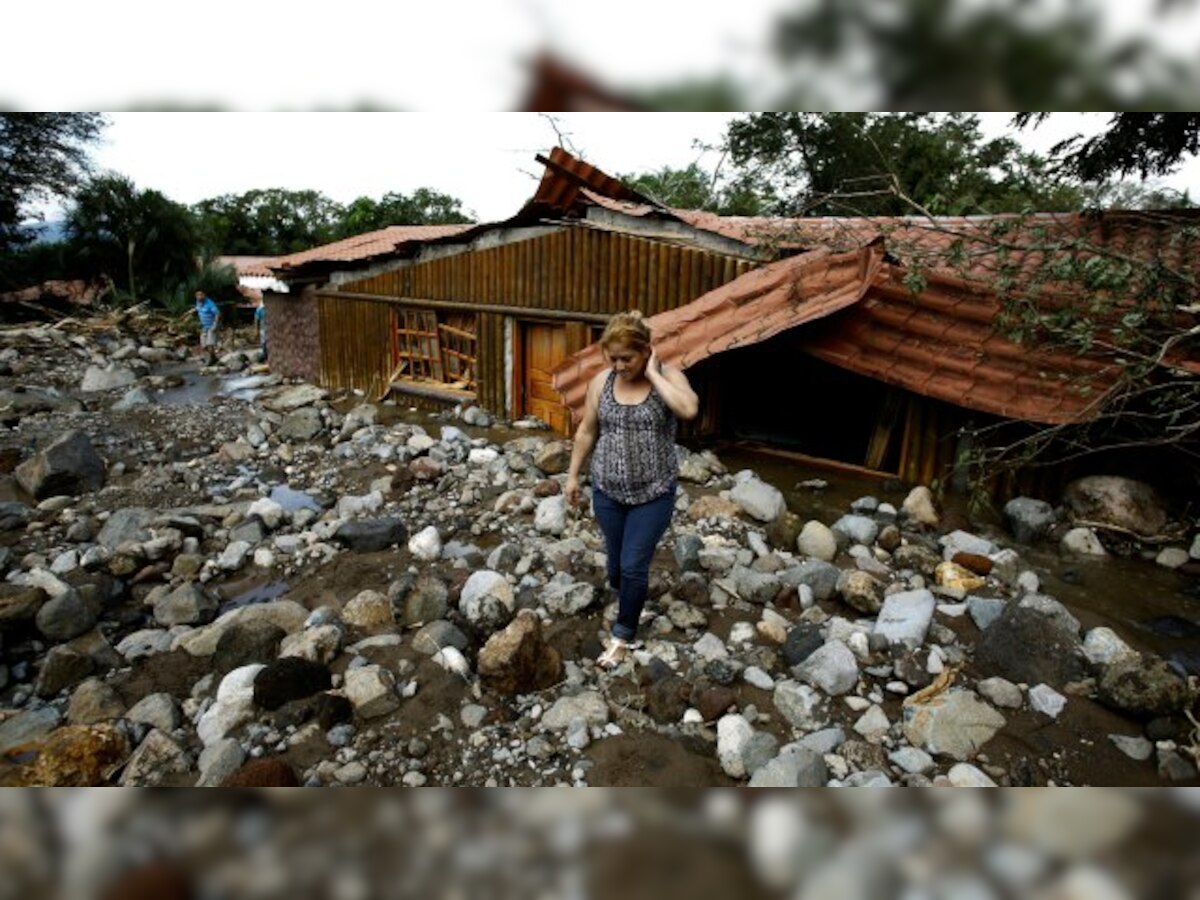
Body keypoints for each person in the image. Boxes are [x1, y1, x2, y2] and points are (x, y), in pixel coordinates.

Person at [565, 311, 700, 670]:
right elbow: (588, 431)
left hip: (653, 493)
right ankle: (628, 596)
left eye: (628, 358)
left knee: (634, 566)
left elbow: (688, 409)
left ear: (646, 351)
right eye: (613, 358)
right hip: (607, 490)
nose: (620, 365)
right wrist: (573, 476)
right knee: (615, 568)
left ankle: (622, 637)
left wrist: (655, 373)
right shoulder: (601, 382)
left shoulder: (668, 378)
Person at [194, 290, 220, 357]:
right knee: (204, 345)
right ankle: (213, 357)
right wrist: (189, 312)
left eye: (200, 295)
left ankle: (212, 359)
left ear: (204, 295)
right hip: (204, 327)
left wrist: (215, 324)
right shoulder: (198, 302)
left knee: (210, 344)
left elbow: (217, 313)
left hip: (211, 326)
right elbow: (197, 308)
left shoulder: (210, 303)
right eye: (197, 296)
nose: (199, 297)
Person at [254, 296, 268, 361]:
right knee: (263, 342)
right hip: (263, 328)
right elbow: (256, 320)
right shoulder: (260, 308)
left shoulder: (268, 307)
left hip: (269, 328)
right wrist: (256, 330)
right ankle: (264, 354)